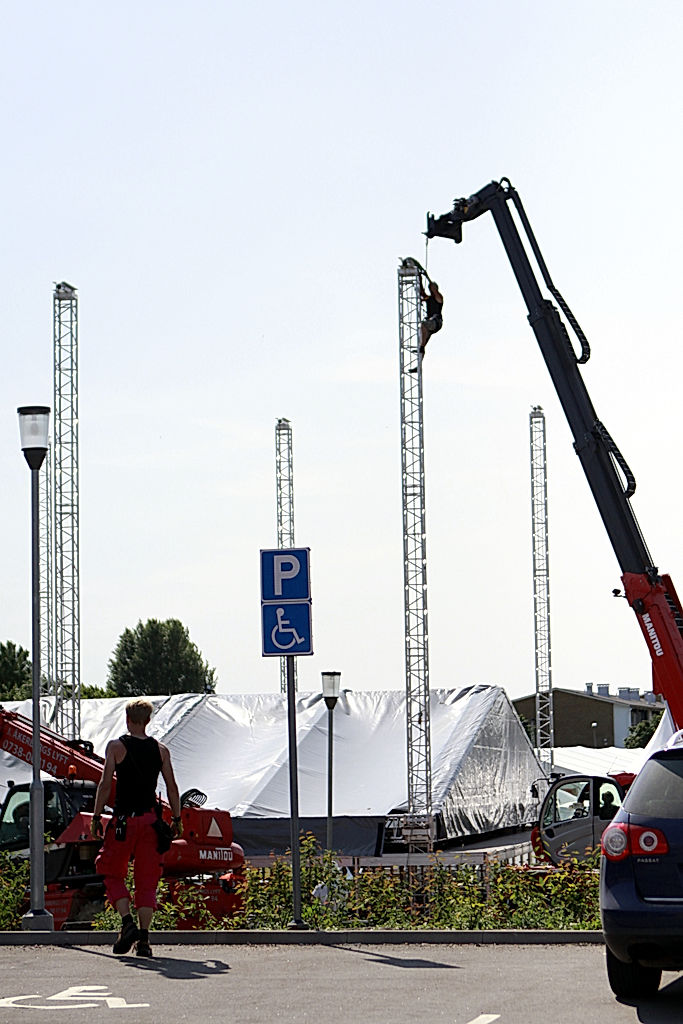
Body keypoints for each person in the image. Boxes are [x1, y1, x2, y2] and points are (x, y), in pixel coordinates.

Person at [91, 698, 182, 958]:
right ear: (148, 721)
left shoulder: (116, 747)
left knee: (110, 871)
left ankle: (127, 922)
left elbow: (105, 785)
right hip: (152, 824)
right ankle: (144, 941)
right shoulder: (161, 750)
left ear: (128, 720)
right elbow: (172, 787)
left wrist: (97, 816)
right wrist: (176, 819)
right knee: (146, 881)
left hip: (123, 822)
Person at [409, 278, 444, 372]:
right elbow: (422, 293)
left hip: (435, 322)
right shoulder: (428, 298)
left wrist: (433, 286)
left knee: (423, 326)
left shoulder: (439, 297)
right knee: (422, 342)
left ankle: (421, 347)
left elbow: (435, 292)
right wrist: (419, 280)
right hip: (430, 324)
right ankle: (419, 366)